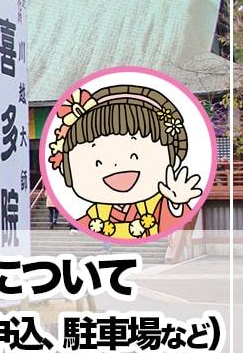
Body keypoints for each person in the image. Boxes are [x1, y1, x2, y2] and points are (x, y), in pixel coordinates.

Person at [48, 85, 203, 239]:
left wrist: (176, 204)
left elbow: (173, 217)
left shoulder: (158, 205)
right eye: (98, 161)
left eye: (134, 155)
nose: (116, 165)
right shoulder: (93, 214)